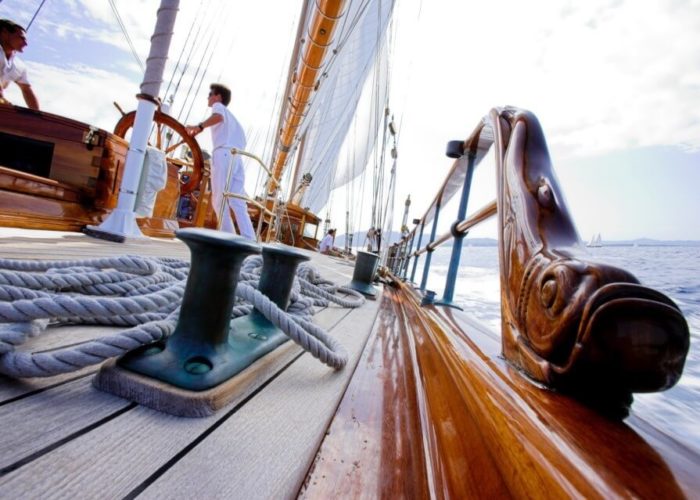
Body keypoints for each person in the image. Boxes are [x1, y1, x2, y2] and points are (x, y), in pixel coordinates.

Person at [186, 83, 255, 240]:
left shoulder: (218, 107)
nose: (208, 97)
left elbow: (218, 117)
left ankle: (228, 238)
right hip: (237, 158)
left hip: (223, 154)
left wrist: (199, 127)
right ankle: (249, 239)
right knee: (237, 202)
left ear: (218, 97)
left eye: (210, 94)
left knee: (218, 199)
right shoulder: (235, 121)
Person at [0, 19, 39, 110]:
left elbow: (27, 90)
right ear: (4, 33)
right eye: (22, 38)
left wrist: (38, 118)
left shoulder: (18, 66)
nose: (26, 43)